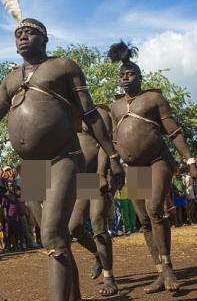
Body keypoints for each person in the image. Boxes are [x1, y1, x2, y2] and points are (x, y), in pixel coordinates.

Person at [0, 0, 122, 301]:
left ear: (45, 38)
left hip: (64, 158)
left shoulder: (65, 66)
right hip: (31, 168)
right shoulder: (10, 79)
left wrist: (114, 157)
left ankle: (103, 272)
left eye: (30, 32)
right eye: (18, 33)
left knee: (53, 235)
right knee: (57, 238)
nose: (22, 36)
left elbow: (91, 114)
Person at [107, 41, 197, 293]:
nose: (125, 78)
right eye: (122, 75)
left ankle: (169, 269)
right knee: (145, 220)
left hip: (158, 161)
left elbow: (174, 131)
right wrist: (111, 167)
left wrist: (190, 161)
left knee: (155, 208)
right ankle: (159, 272)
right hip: (133, 168)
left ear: (140, 76)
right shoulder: (115, 107)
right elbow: (112, 141)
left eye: (130, 74)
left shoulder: (153, 98)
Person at [67, 105, 119, 296]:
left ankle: (109, 277)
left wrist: (100, 173)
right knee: (74, 228)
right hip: (80, 181)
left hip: (96, 176)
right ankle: (98, 255)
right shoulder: (65, 114)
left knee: (98, 222)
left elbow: (106, 144)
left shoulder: (97, 113)